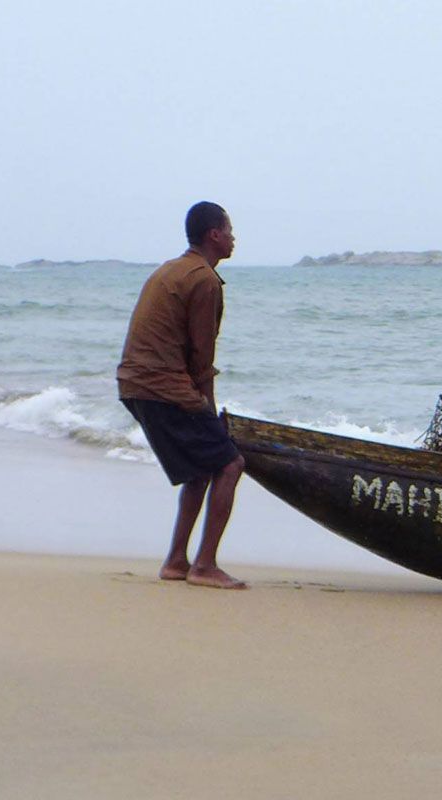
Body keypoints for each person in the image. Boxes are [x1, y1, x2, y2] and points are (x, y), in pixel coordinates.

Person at [116, 201, 247, 589]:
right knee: (230, 464)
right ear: (214, 235)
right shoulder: (204, 280)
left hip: (134, 384)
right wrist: (208, 411)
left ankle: (176, 561)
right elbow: (201, 359)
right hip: (162, 387)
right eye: (230, 230)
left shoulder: (170, 269)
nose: (234, 238)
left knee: (201, 467)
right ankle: (204, 566)